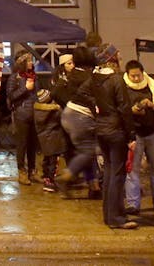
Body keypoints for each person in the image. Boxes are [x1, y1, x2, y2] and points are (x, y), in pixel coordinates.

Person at [123, 60, 154, 215]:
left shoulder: (153, 86)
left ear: (143, 73)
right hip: (135, 135)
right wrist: (133, 110)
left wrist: (152, 106)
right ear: (128, 75)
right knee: (133, 171)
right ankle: (133, 204)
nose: (136, 79)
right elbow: (121, 110)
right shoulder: (123, 88)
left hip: (153, 133)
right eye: (133, 76)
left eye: (138, 75)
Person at [93, 62, 137, 230]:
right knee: (117, 175)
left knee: (110, 172)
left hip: (102, 129)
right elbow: (125, 108)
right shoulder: (116, 80)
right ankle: (116, 217)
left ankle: (110, 214)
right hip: (116, 130)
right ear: (111, 61)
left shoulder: (95, 80)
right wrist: (131, 134)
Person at [55, 46, 102, 199]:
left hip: (69, 114)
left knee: (86, 151)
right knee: (88, 151)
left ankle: (93, 185)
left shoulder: (73, 75)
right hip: (81, 117)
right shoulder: (88, 76)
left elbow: (56, 92)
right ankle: (66, 177)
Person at [33, 54, 69, 193]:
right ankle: (50, 181)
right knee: (53, 162)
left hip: (45, 140)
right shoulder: (53, 111)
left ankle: (46, 177)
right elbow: (61, 116)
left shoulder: (38, 111)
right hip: (53, 140)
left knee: (47, 160)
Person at [6, 52, 38, 185]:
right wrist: (25, 89)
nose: (31, 63)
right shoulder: (15, 78)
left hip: (34, 113)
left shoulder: (34, 76)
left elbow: (37, 93)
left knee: (33, 144)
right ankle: (22, 171)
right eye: (29, 60)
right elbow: (11, 96)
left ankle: (32, 170)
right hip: (21, 114)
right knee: (22, 143)